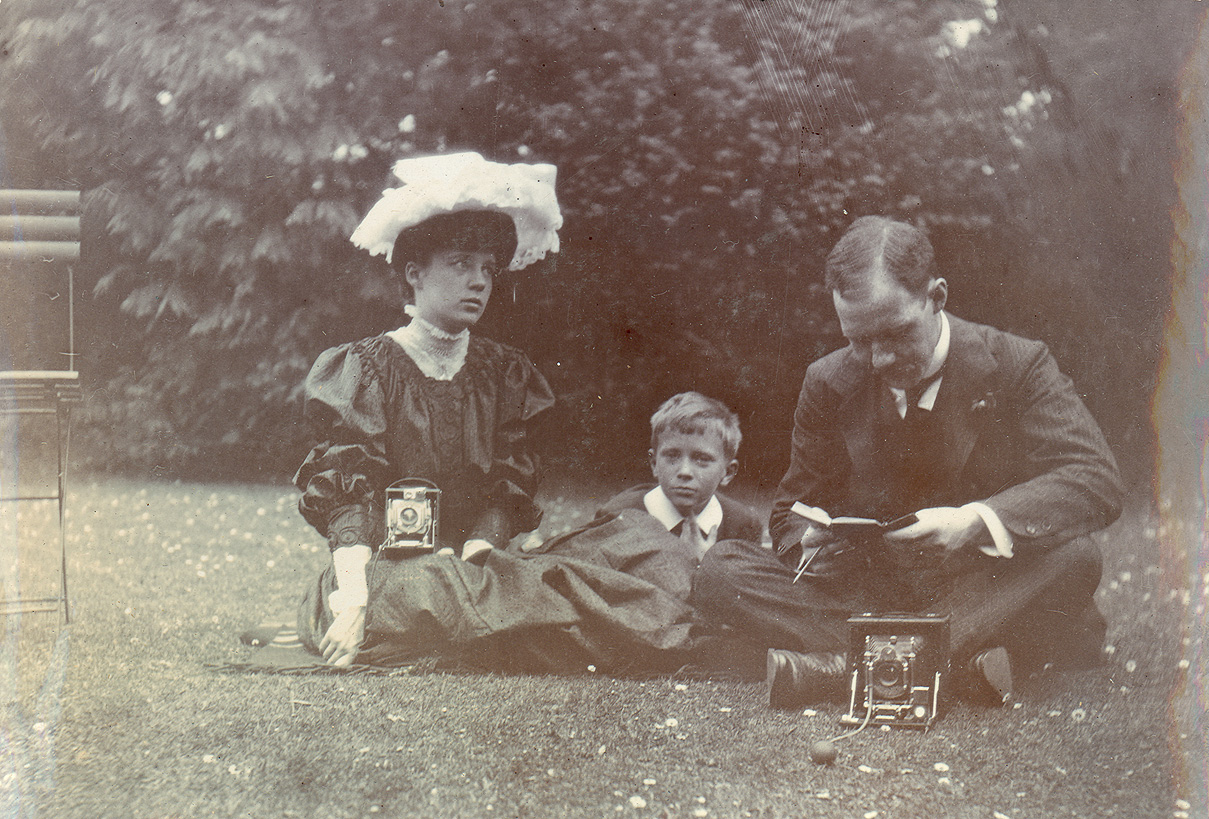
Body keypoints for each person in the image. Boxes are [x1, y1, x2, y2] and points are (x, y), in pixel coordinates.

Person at [691, 216, 1123, 705]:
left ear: (936, 297)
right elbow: (790, 512)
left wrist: (974, 521)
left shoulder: (1018, 365)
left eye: (894, 334)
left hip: (981, 586)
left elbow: (1095, 478)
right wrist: (810, 541)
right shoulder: (827, 381)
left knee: (1075, 557)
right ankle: (951, 666)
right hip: (869, 590)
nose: (878, 360)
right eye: (858, 340)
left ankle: (843, 670)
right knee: (722, 568)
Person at [294, 151, 561, 667]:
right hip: (382, 574)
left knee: (557, 582)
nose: (480, 282)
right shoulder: (364, 369)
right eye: (461, 265)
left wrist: (479, 558)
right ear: (414, 273)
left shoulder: (505, 373)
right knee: (429, 596)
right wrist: (352, 598)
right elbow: (348, 493)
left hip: (474, 565)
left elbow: (510, 487)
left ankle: (478, 616)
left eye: (488, 268)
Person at [594, 391, 764, 554]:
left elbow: (746, 582)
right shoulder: (617, 516)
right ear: (654, 464)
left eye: (702, 459)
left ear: (727, 473)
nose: (685, 472)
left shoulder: (743, 524)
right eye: (672, 456)